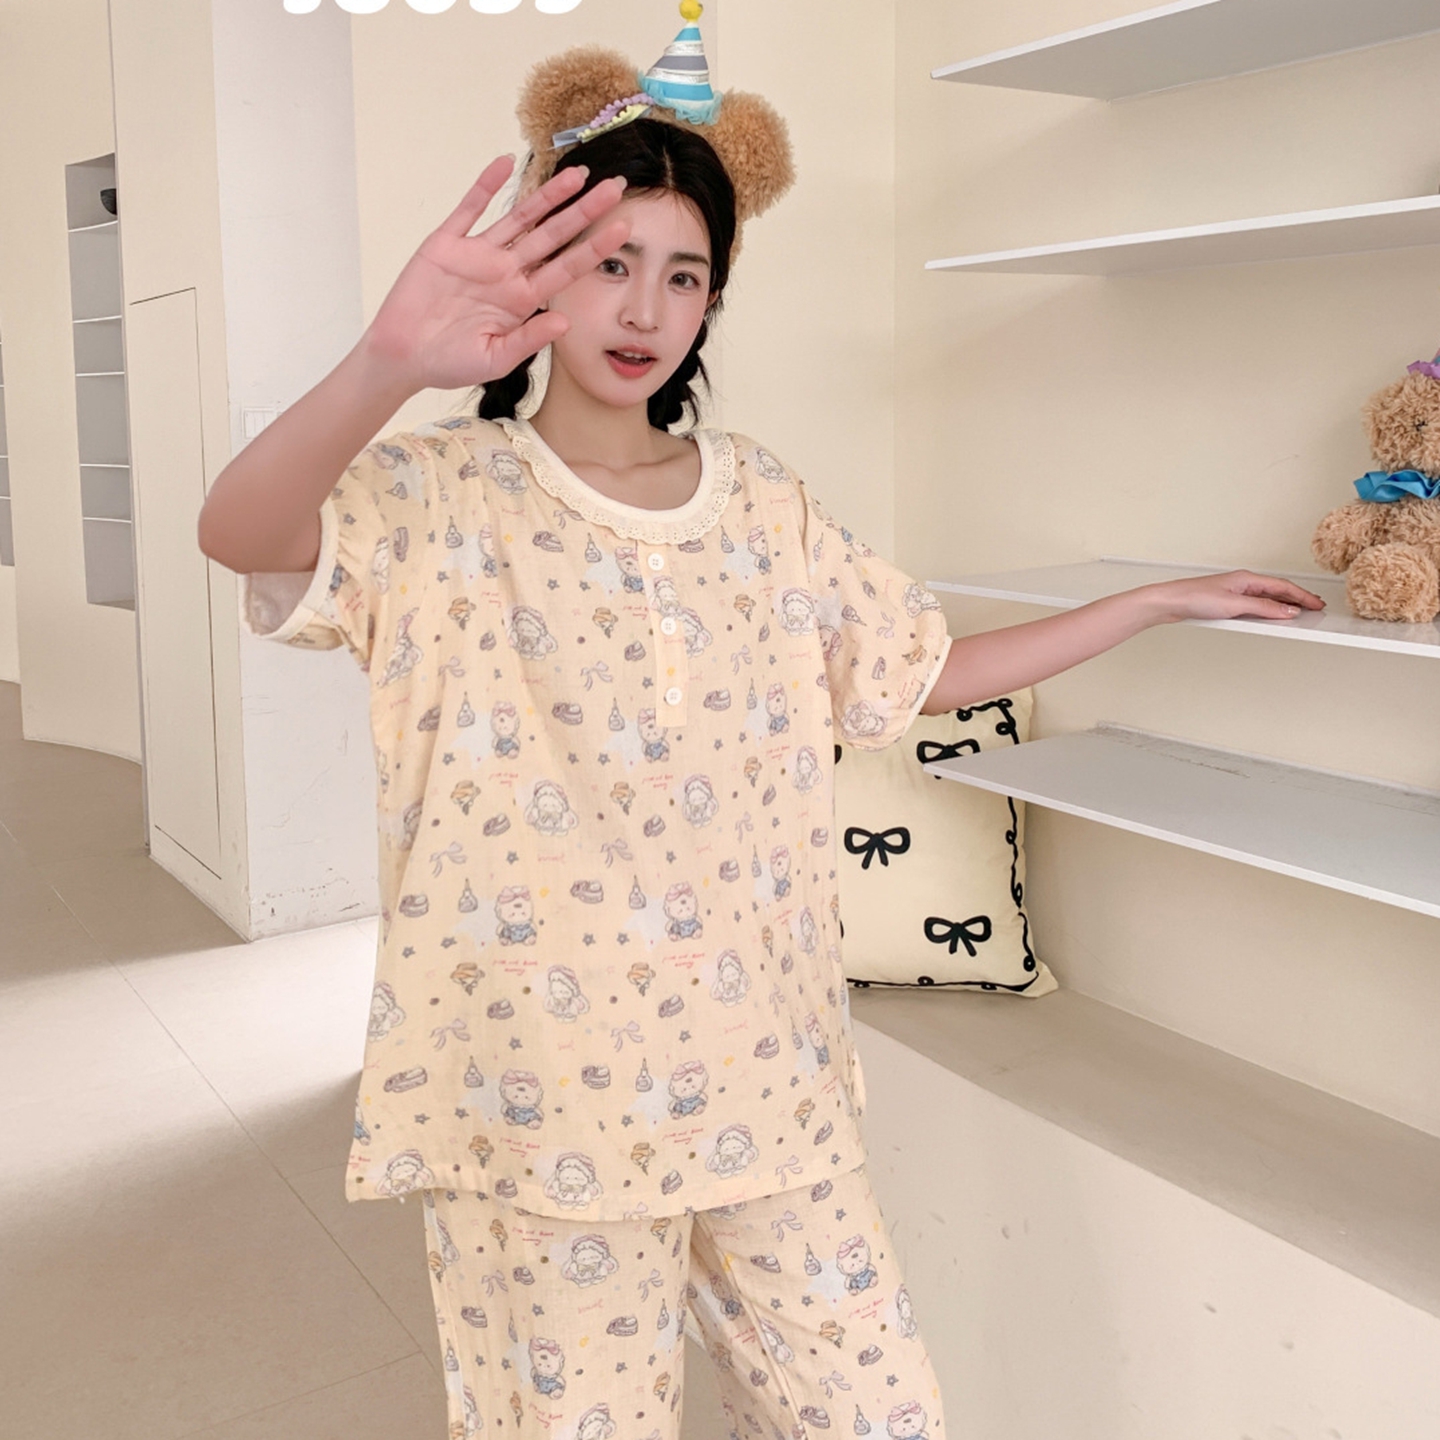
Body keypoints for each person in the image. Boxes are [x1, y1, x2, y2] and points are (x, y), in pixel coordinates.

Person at [197, 8, 1324, 1439]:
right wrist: (384, 362)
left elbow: (916, 671)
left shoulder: (763, 500)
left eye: (684, 275)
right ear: (543, 271)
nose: (644, 309)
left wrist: (1148, 606)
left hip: (762, 1079)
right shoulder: (442, 494)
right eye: (610, 263)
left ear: (713, 300)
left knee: (874, 1414)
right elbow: (241, 535)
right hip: (539, 1103)